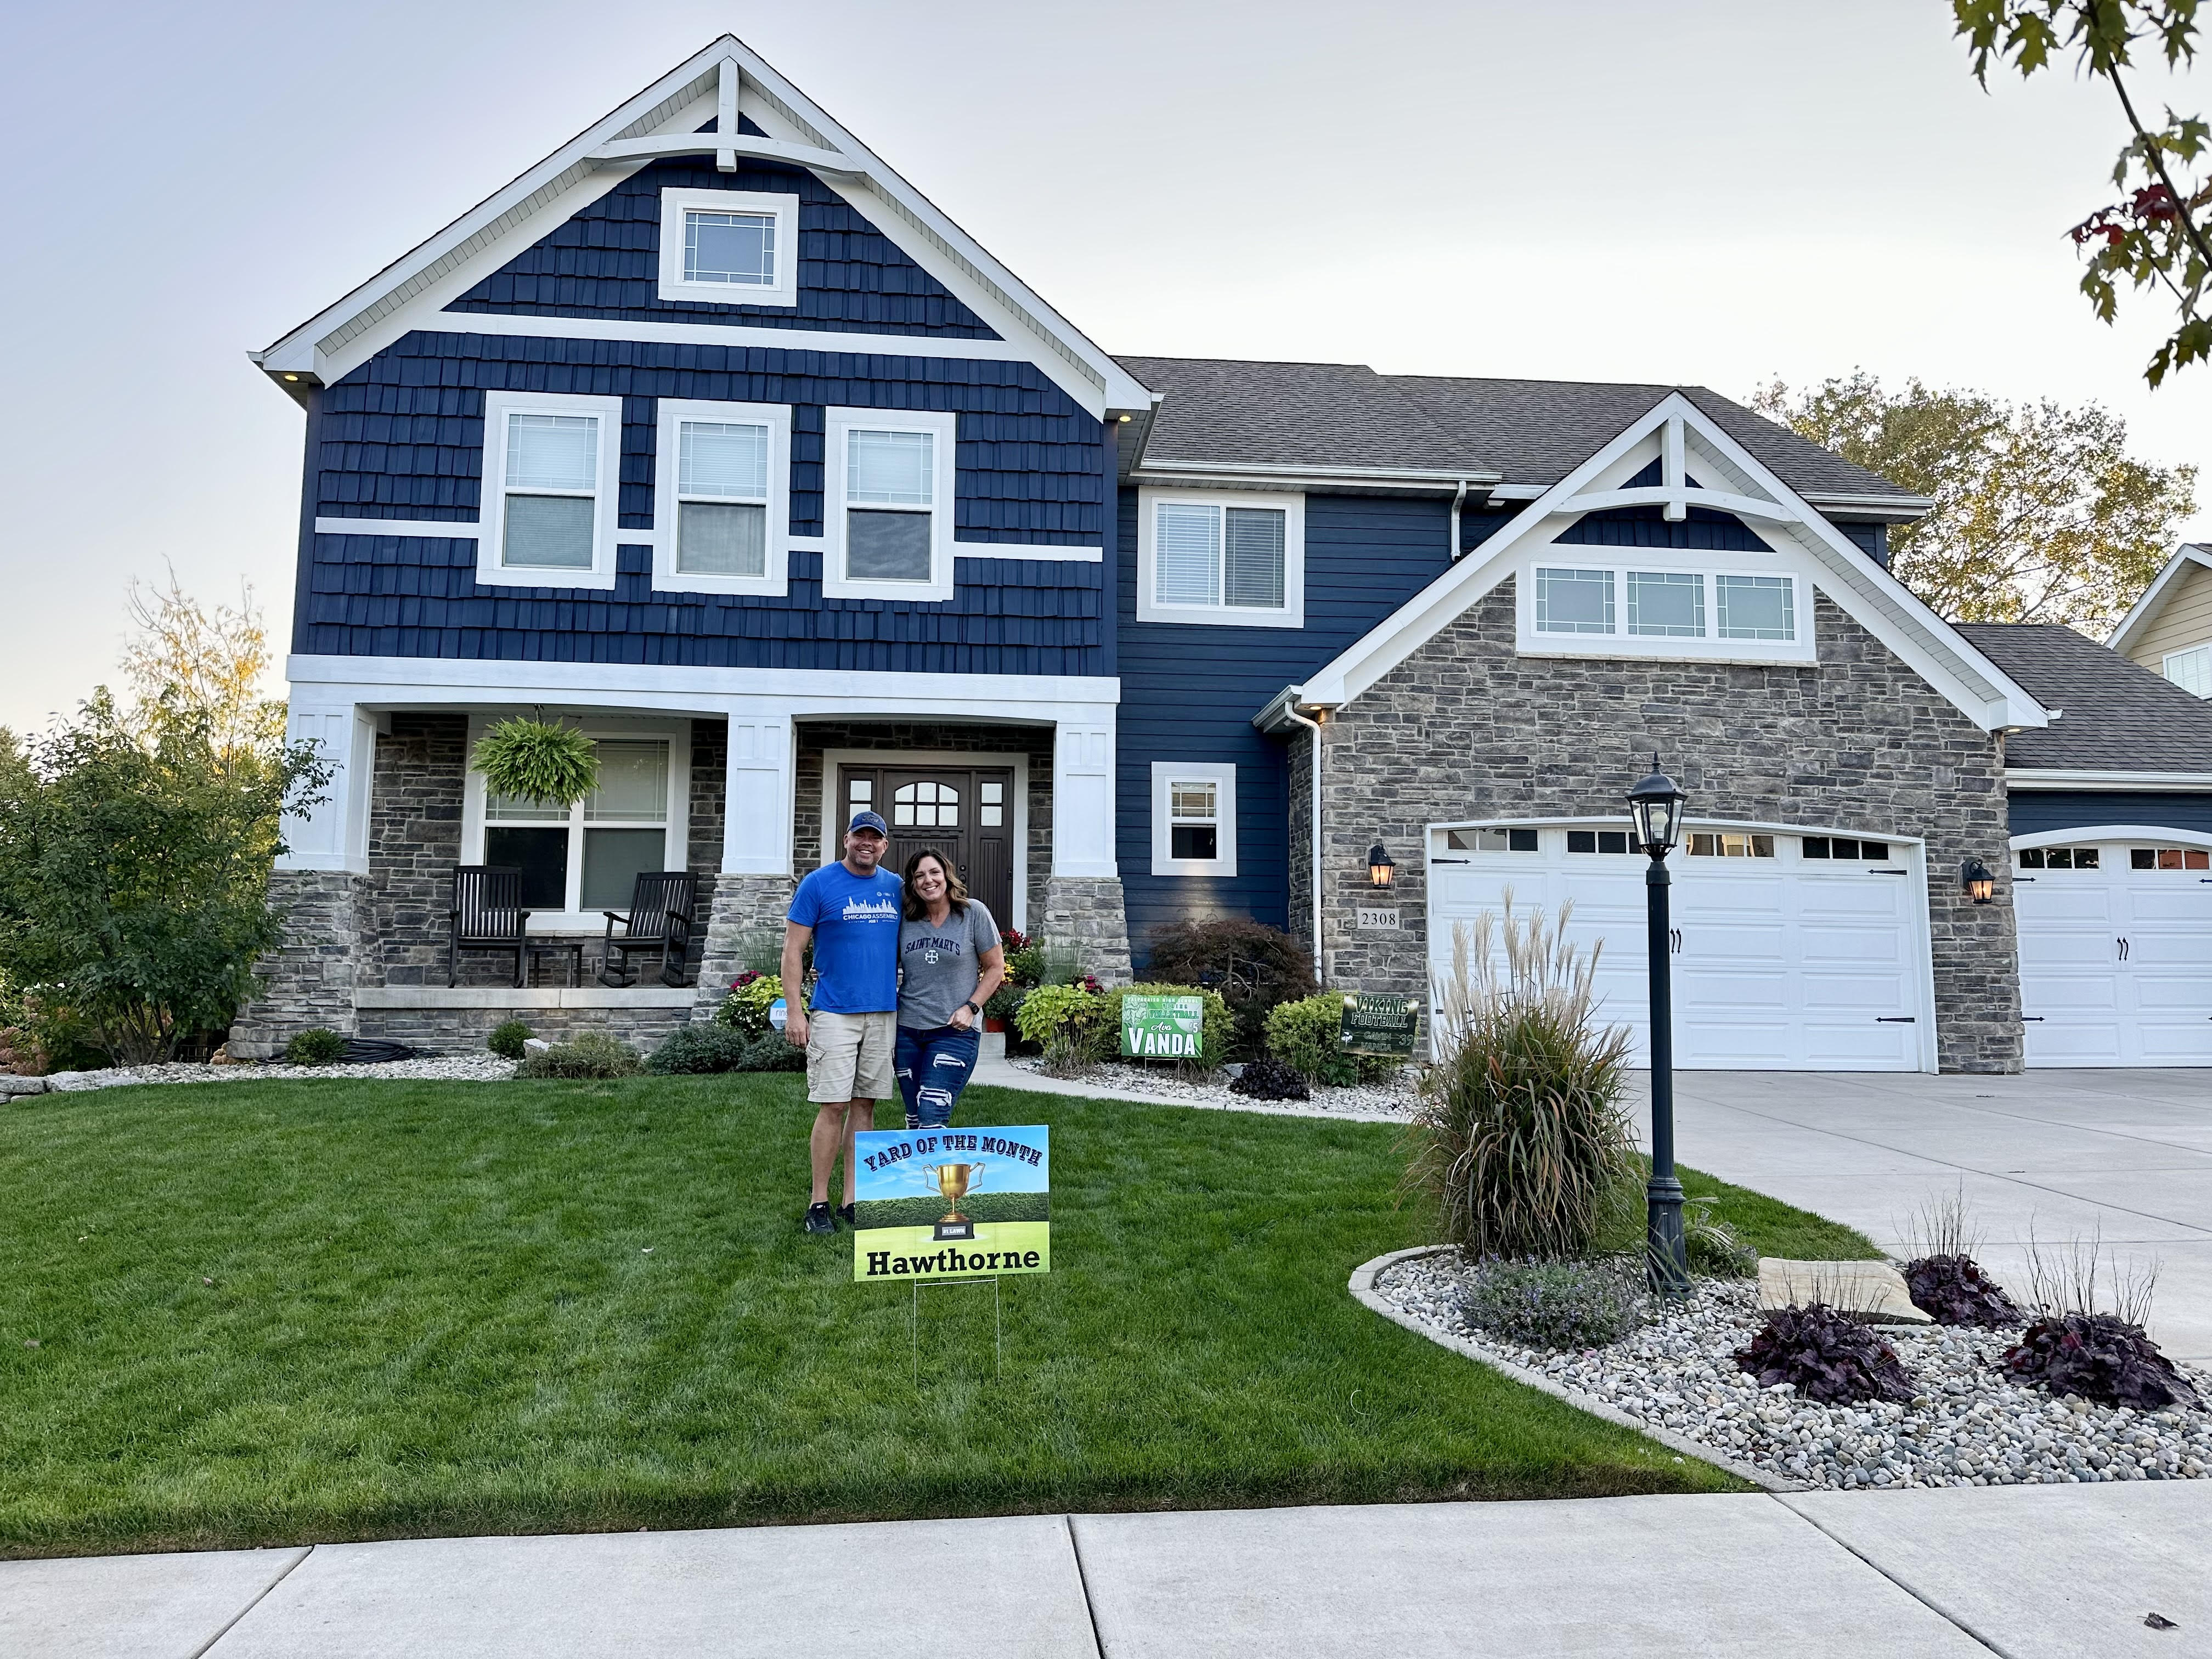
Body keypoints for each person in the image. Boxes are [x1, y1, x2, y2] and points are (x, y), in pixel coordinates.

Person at [783, 811, 902, 1235]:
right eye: (860, 836)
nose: (867, 843)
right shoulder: (819, 883)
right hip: (834, 1011)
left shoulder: (896, 889)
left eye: (876, 838)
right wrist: (795, 1011)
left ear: (885, 846)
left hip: (883, 1011)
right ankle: (819, 1203)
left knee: (865, 1105)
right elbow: (793, 951)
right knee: (833, 1104)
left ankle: (854, 1200)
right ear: (847, 840)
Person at [894, 849, 1006, 1132]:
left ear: (947, 876)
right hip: (907, 1030)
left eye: (934, 873)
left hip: (954, 1032)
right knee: (915, 1118)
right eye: (919, 876)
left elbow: (995, 968)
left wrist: (971, 1008)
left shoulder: (972, 913)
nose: (927, 880)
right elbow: (878, 959)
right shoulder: (906, 920)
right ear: (912, 884)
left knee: (932, 1117)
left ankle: (936, 1176)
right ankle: (920, 1176)